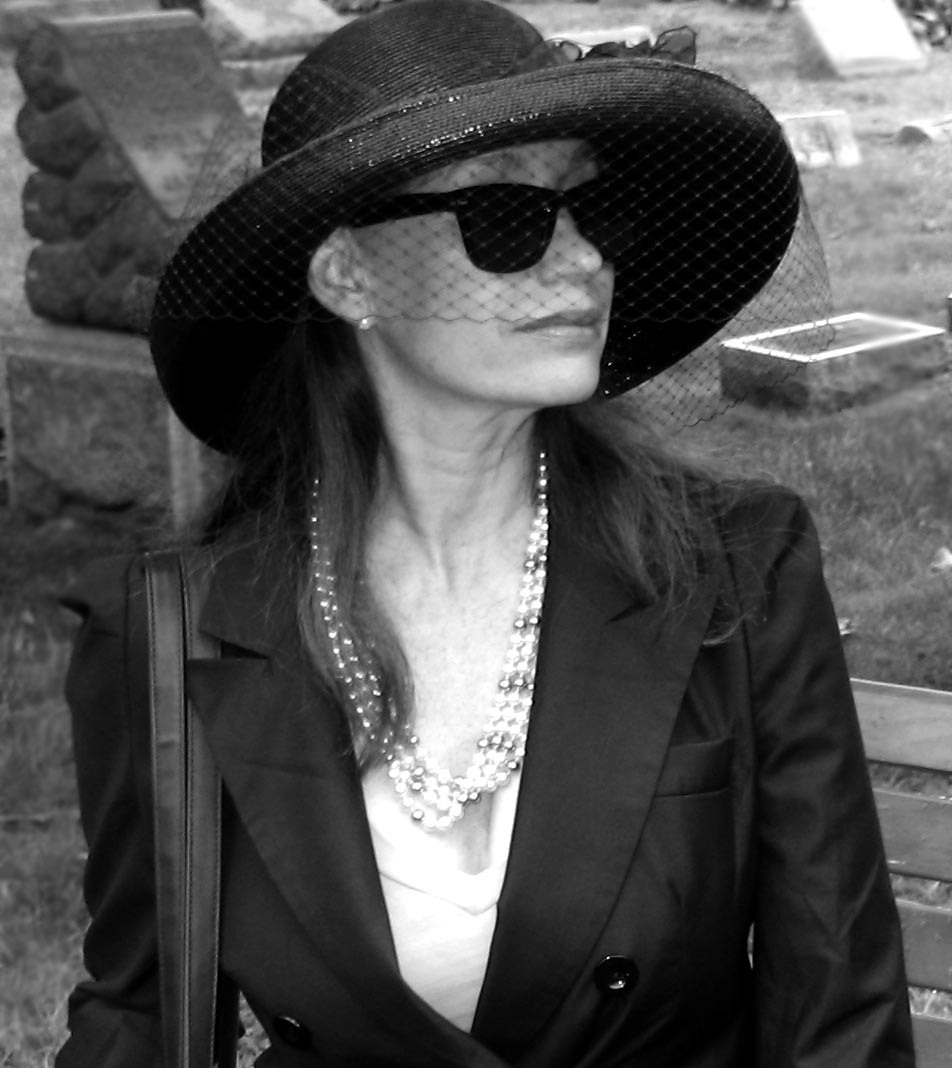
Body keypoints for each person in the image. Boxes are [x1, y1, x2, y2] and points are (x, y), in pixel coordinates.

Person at [56, 1, 914, 1065]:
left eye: (595, 210)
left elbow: (838, 1010)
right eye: (506, 218)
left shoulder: (734, 568)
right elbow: (138, 1013)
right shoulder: (176, 629)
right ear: (346, 275)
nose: (583, 261)